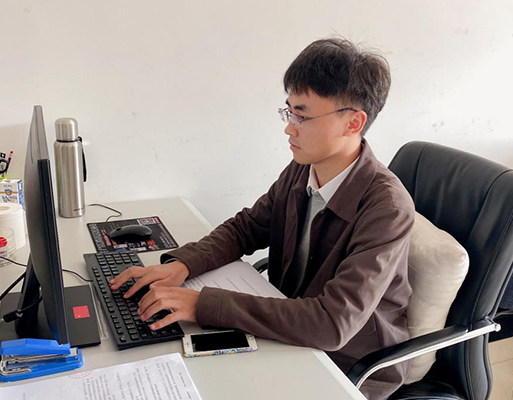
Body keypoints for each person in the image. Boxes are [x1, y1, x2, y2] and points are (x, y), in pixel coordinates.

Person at [110, 37, 414, 400]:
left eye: (302, 116)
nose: (289, 128)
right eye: (289, 112)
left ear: (353, 123)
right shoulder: (304, 168)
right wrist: (183, 265)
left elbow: (332, 324)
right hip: (288, 333)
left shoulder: (386, 208)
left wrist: (202, 304)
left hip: (348, 365)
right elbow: (247, 228)